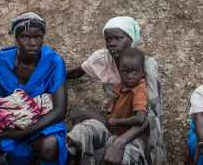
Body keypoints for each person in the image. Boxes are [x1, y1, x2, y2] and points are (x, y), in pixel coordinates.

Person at [66, 16, 163, 165]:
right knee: (80, 132)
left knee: (121, 157)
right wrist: (46, 75)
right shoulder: (104, 59)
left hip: (137, 128)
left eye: (118, 38)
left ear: (130, 39)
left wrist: (120, 143)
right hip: (112, 122)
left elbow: (151, 115)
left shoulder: (145, 64)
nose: (112, 44)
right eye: (108, 40)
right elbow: (77, 71)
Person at [0, 12, 68, 165]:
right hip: (11, 120)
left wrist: (21, 133)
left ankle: (36, 158)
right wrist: (7, 128)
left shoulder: (54, 62)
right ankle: (15, 156)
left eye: (38, 37)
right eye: (25, 37)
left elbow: (60, 112)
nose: (32, 43)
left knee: (49, 147)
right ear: (16, 38)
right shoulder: (2, 60)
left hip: (43, 121)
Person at [66, 48, 148, 164]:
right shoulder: (124, 85)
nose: (130, 76)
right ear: (119, 71)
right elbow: (79, 70)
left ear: (142, 72)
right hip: (115, 124)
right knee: (82, 116)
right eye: (125, 72)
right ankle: (75, 157)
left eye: (135, 72)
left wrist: (117, 120)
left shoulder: (139, 91)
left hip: (122, 129)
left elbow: (140, 119)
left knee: (84, 115)